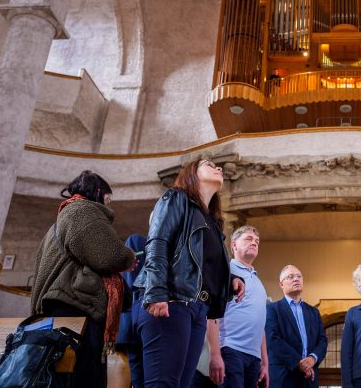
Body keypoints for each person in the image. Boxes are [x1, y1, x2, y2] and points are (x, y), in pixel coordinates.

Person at [134, 158, 244, 388]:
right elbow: (157, 243)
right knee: (162, 385)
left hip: (196, 310)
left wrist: (231, 280)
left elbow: (197, 264)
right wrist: (156, 292)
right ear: (191, 174)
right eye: (209, 164)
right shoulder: (176, 198)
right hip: (170, 301)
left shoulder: (212, 222)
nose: (219, 168)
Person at [32, 170, 136, 388]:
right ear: (98, 192)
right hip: (76, 309)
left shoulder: (61, 220)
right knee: (85, 378)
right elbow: (109, 256)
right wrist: (129, 258)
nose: (109, 205)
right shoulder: (82, 211)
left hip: (58, 310)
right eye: (108, 198)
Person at [202, 225, 269, 388]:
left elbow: (260, 325)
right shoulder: (226, 272)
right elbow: (211, 314)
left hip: (253, 357)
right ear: (233, 245)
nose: (254, 243)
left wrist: (265, 362)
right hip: (230, 349)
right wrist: (215, 354)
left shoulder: (259, 282)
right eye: (248, 239)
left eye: (257, 241)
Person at [266, 265, 328, 388]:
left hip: (309, 379)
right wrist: (298, 362)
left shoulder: (314, 312)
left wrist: (312, 358)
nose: (296, 279)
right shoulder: (272, 309)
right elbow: (272, 339)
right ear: (281, 284)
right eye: (291, 277)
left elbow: (322, 340)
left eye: (299, 276)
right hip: (284, 377)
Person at [117, 234, 147, 388]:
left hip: (135, 322)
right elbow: (134, 281)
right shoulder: (137, 241)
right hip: (137, 320)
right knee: (142, 378)